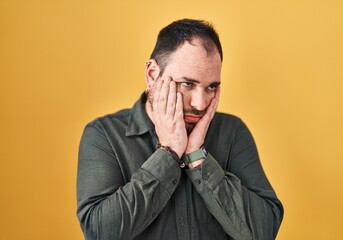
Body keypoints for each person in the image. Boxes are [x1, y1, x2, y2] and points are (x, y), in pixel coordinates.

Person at [76, 19, 284, 240]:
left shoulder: (232, 132)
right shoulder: (104, 135)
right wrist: (168, 152)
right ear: (152, 75)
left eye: (211, 87)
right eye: (187, 84)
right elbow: (98, 232)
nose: (200, 104)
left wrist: (198, 157)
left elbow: (265, 231)